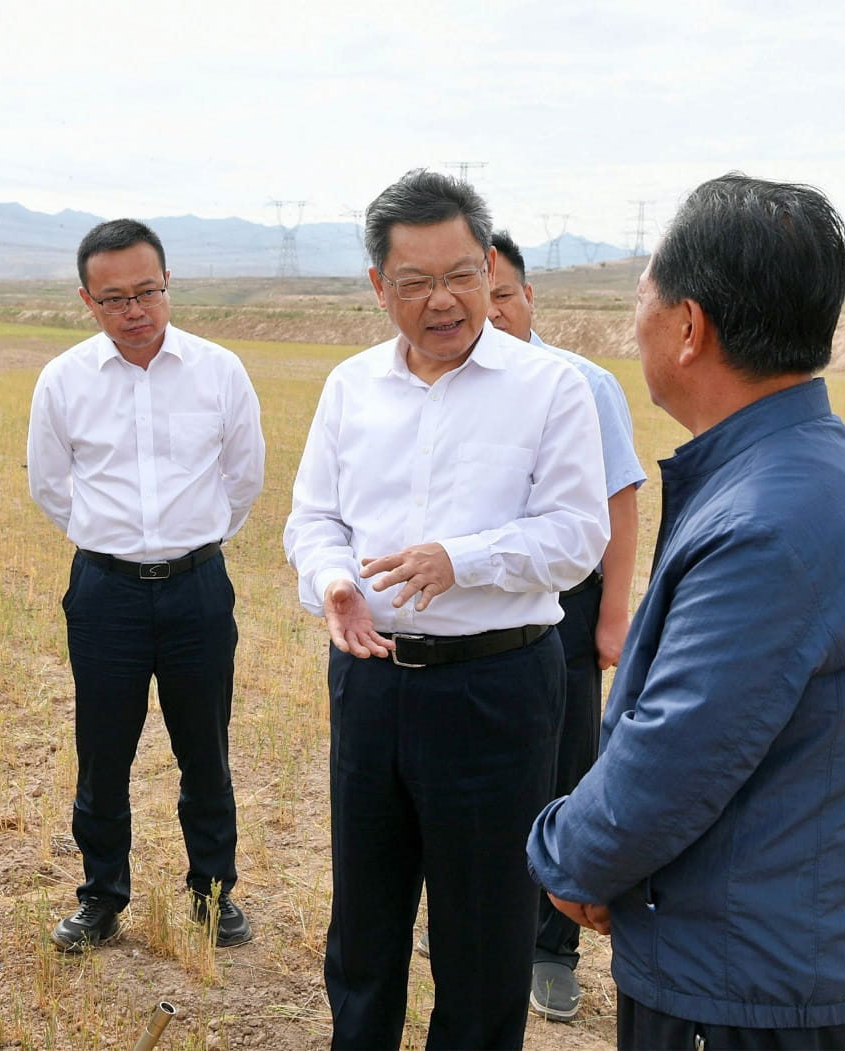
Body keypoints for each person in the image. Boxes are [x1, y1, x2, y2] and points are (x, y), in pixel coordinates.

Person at [527, 174, 845, 1051]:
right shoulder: (800, 472)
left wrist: (568, 855)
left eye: (643, 294)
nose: (636, 316)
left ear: (688, 326)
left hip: (736, 985)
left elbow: (675, 753)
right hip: (751, 953)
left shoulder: (771, 518)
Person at [284, 169, 609, 1050]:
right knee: (365, 920)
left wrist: (458, 559)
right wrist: (334, 582)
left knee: (484, 937)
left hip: (494, 686)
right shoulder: (351, 386)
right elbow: (314, 517)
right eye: (417, 281)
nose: (444, 300)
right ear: (378, 285)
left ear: (490, 268)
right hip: (371, 679)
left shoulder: (549, 387)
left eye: (463, 275)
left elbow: (577, 535)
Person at [27, 219, 265, 953]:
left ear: (168, 284)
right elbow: (51, 485)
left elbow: (243, 477)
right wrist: (115, 543)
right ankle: (101, 897)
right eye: (115, 299)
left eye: (147, 291)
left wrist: (189, 542)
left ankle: (212, 892)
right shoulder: (64, 379)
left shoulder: (219, 370)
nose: (135, 310)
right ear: (87, 300)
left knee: (206, 750)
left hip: (198, 589)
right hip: (106, 594)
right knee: (104, 752)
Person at [483, 230, 646, 1021]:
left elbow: (620, 504)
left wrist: (612, 615)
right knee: (480, 768)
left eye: (502, 294)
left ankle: (553, 948)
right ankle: (486, 920)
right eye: (476, 296)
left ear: (528, 295)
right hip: (481, 610)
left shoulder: (585, 383)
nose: (490, 311)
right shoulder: (452, 387)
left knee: (566, 770)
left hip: (568, 607)